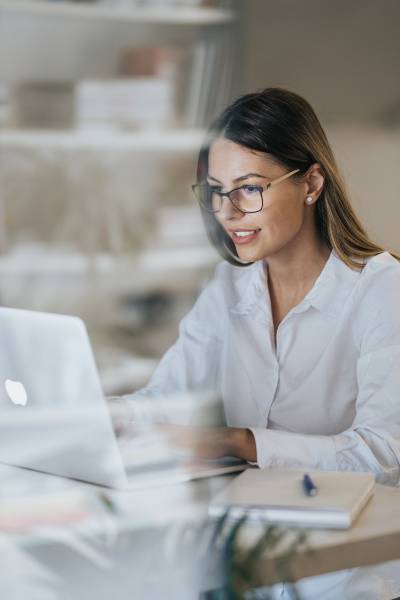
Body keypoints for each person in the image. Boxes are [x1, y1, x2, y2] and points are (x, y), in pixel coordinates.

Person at [119, 88, 400, 599]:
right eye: (216, 192)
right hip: (251, 552)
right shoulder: (229, 285)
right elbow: (163, 398)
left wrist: (240, 441)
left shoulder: (381, 288)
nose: (228, 212)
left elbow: (385, 454)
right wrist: (95, 419)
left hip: (350, 564)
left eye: (250, 189)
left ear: (312, 182)